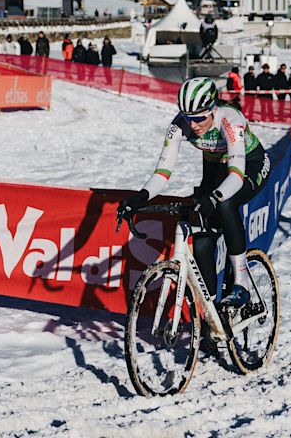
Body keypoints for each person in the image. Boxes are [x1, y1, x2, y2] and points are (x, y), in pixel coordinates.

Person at [116, 78, 270, 309]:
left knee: (226, 204)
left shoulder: (230, 120)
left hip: (250, 164)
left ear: (213, 109)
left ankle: (241, 283)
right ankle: (211, 313)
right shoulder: (179, 125)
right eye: (189, 118)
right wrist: (141, 196)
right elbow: (163, 171)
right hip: (215, 169)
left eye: (199, 118)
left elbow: (236, 176)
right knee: (200, 235)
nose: (194, 125)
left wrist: (214, 198)